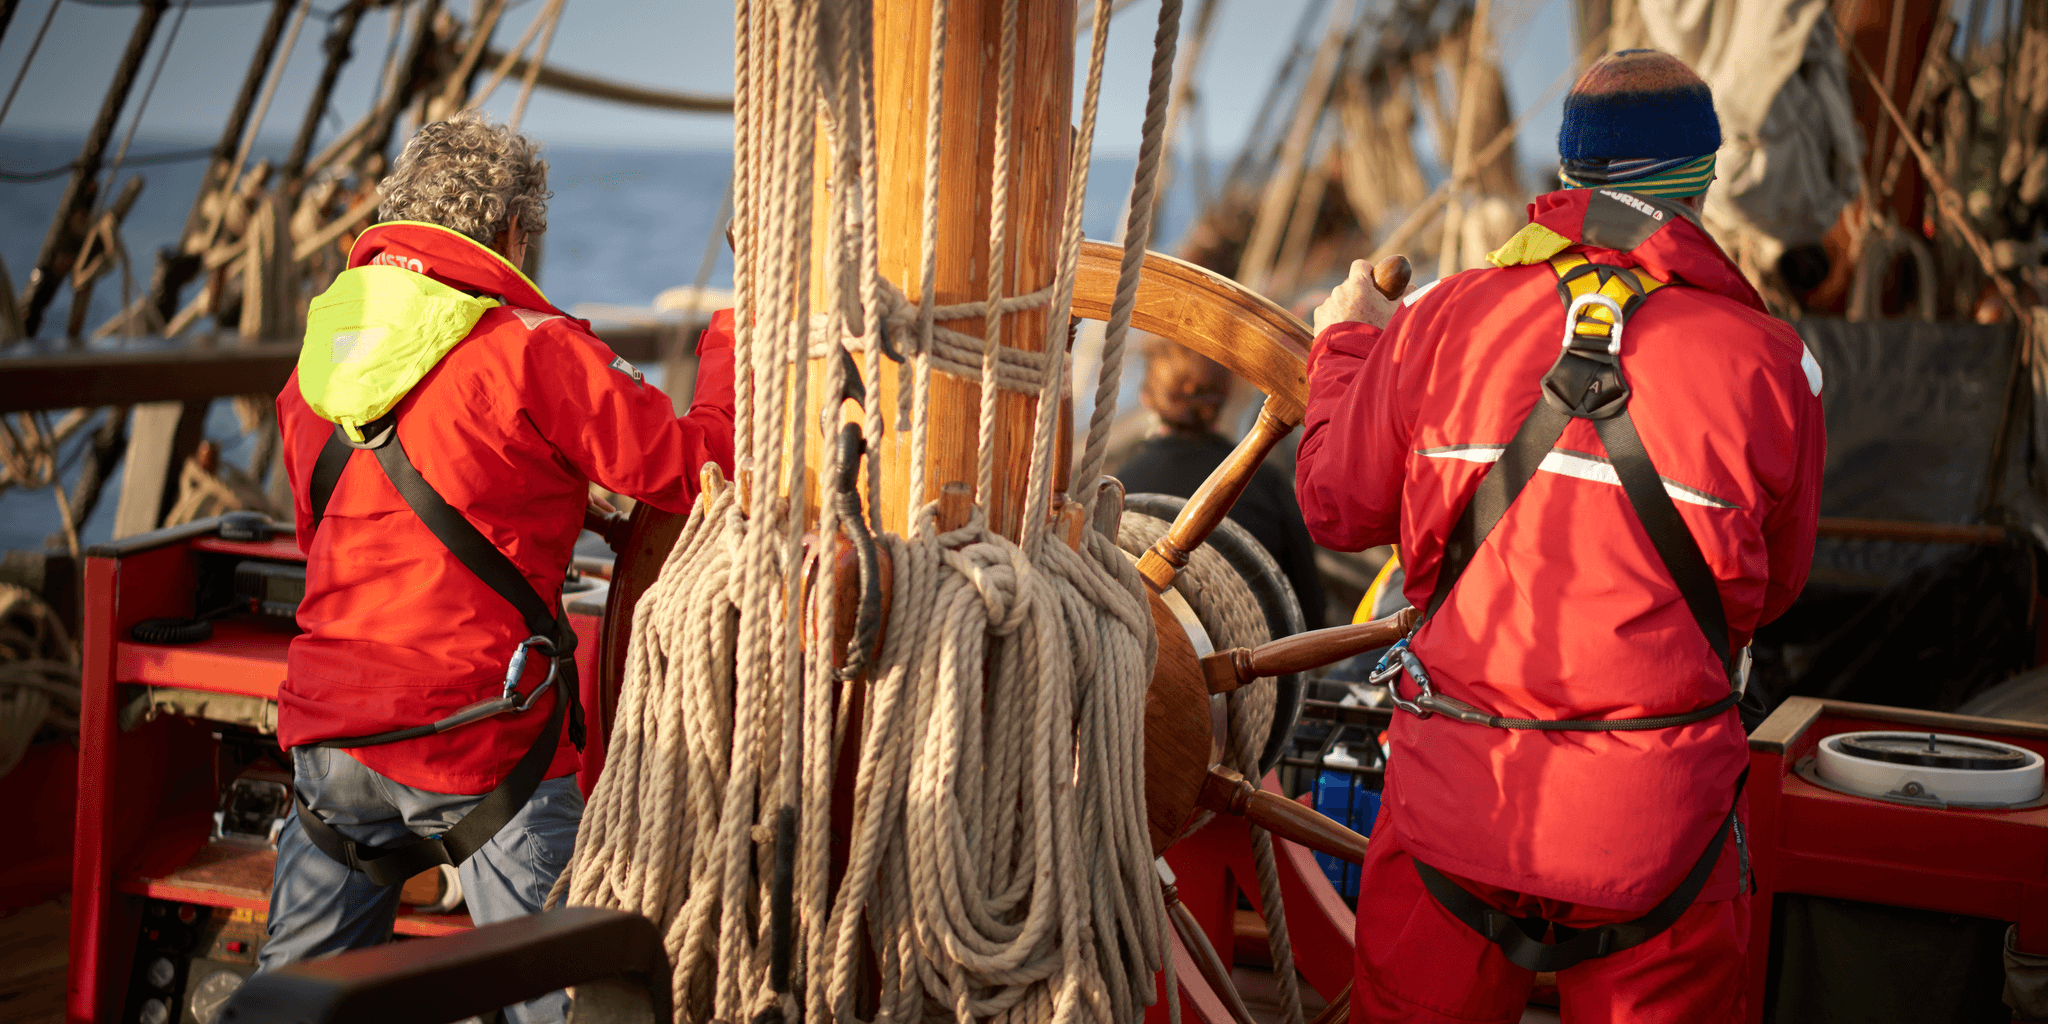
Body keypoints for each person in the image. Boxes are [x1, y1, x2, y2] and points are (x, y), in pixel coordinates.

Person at [1295, 51, 1823, 1022]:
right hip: (1658, 837)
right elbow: (1772, 591)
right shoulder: (1768, 363)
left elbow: (1335, 506)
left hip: (1455, 807)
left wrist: (1347, 346)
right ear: (1701, 178)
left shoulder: (1445, 322)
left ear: (1567, 173)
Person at [259, 112, 735, 1024]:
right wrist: (733, 337)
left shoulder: (320, 363)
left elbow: (332, 527)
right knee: (565, 999)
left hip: (330, 736)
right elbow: (695, 464)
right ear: (514, 232)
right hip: (480, 740)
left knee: (293, 1002)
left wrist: (543, 504)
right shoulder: (531, 350)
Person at [1115, 337, 1327, 627]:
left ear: (1146, 399)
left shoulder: (1122, 488)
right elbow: (1309, 609)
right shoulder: (1266, 483)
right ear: (1226, 395)